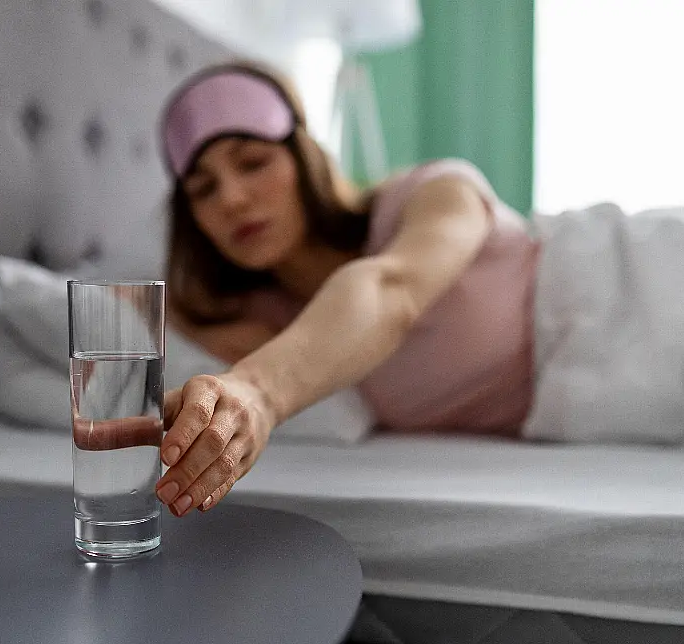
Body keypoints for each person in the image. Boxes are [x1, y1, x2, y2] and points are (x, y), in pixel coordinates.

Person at [151, 60, 680, 519]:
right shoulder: (264, 325)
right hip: (597, 407)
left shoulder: (431, 192)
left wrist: (260, 395)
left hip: (631, 286)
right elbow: (92, 313)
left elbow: (391, 290)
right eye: (203, 189)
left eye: (253, 162)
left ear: (305, 158)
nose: (234, 199)